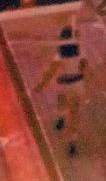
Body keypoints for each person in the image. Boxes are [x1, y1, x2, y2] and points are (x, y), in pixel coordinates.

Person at [35, 23, 86, 157]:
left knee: (61, 101)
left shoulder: (60, 53)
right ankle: (72, 142)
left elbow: (51, 71)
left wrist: (41, 84)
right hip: (78, 84)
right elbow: (83, 67)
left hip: (65, 84)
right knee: (75, 115)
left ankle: (61, 117)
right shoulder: (80, 50)